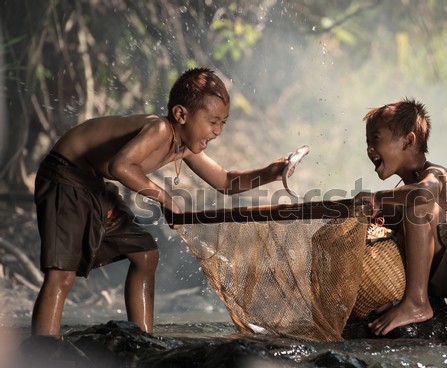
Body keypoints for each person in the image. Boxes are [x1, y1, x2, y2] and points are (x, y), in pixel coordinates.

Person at [32, 67, 288, 336]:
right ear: (181, 115)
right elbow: (122, 166)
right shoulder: (159, 128)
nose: (217, 131)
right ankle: (43, 350)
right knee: (61, 274)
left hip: (92, 184)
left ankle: (142, 338)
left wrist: (270, 172)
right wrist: (165, 199)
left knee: (145, 254)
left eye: (223, 122)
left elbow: (225, 181)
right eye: (212, 121)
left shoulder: (185, 144)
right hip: (64, 174)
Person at [354, 98, 447, 336]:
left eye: (375, 140)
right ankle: (387, 292)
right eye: (367, 142)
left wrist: (378, 197)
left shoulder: (437, 175)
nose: (369, 149)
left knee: (417, 205)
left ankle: (417, 302)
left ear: (408, 141)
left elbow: (423, 193)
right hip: (445, 270)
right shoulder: (407, 187)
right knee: (378, 213)